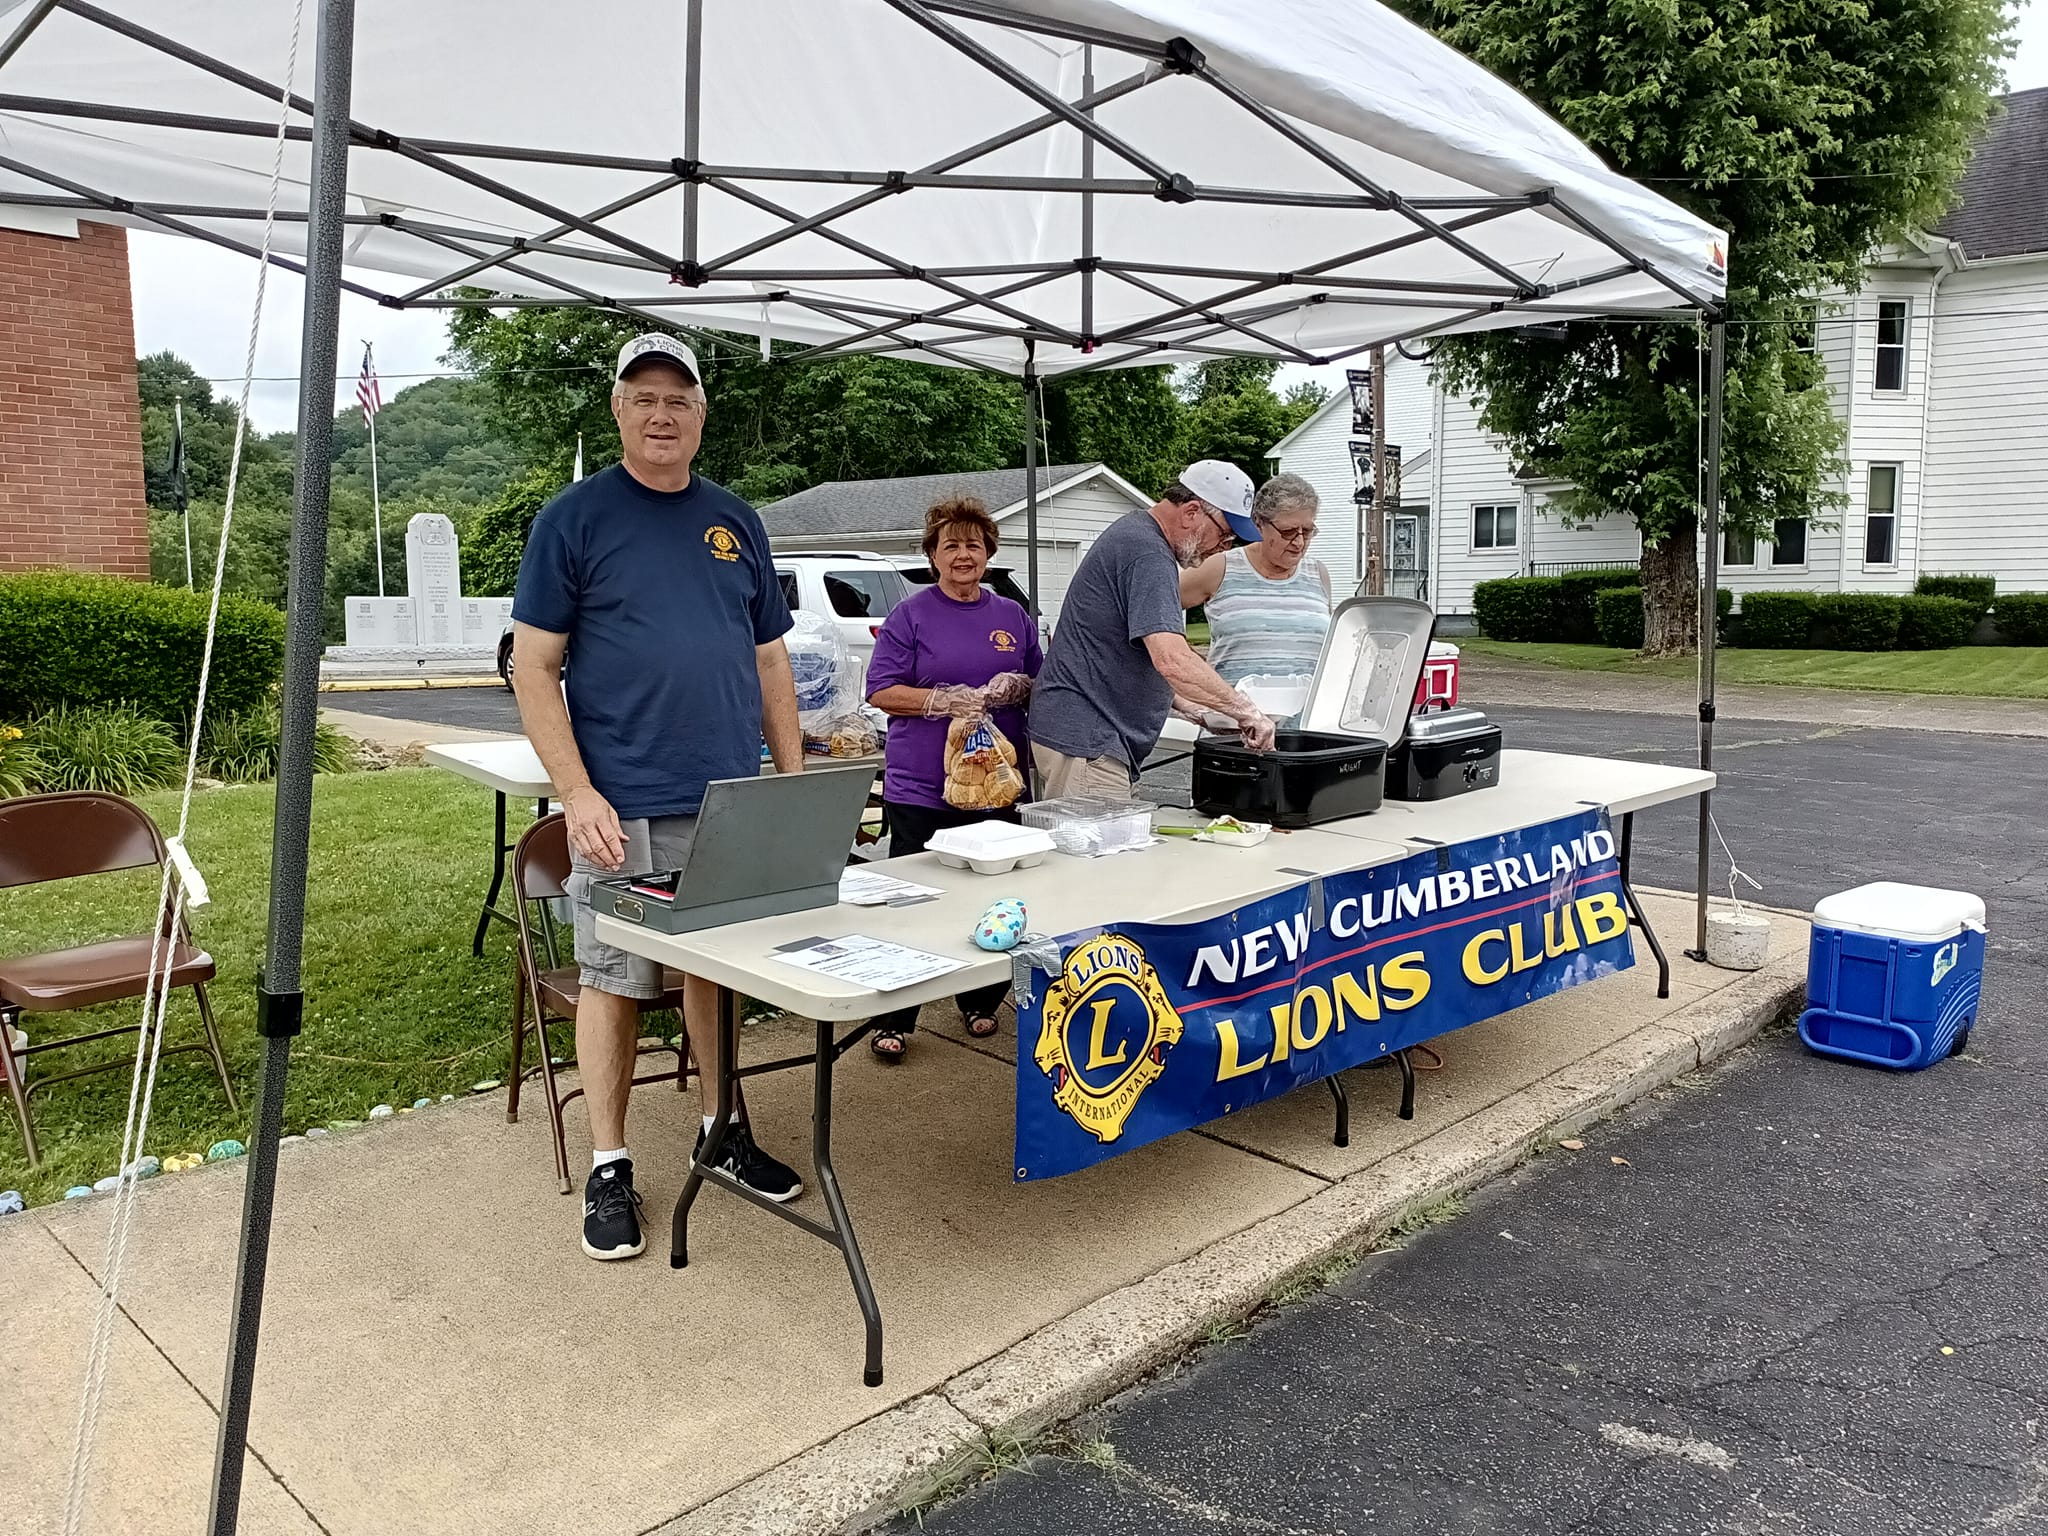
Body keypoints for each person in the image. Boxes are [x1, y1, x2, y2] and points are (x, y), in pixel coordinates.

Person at [511, 332, 807, 1264]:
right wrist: (576, 792)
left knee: (714, 971)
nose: (662, 414)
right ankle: (610, 1165)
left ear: (701, 416)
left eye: (679, 399)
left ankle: (721, 1131)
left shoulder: (735, 521)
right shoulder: (574, 519)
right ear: (618, 410)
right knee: (614, 981)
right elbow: (534, 666)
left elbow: (769, 661)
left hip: (724, 799)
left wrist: (791, 781)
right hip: (621, 804)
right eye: (643, 397)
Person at [862, 497, 1042, 1062]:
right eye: (951, 545)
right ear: (933, 555)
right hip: (923, 785)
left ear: (989, 553)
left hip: (996, 782)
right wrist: (938, 700)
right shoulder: (910, 615)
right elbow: (881, 690)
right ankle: (895, 1015)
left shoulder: (1011, 615)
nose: (963, 555)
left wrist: (1018, 687)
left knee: (988, 895)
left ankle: (980, 999)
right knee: (913, 898)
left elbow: (1041, 679)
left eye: (974, 545)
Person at [1029, 460, 1278, 799]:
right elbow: (1171, 659)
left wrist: (1190, 706)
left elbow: (1123, 650)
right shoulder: (1148, 554)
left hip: (1084, 737)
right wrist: (1246, 712)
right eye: (1225, 534)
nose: (1225, 546)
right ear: (1191, 512)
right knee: (1101, 836)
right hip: (1089, 740)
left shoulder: (1138, 537)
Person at [1180, 472, 1333, 689]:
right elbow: (1154, 612)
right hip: (1234, 710)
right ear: (1259, 524)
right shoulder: (1220, 568)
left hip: (1304, 711)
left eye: (1307, 531)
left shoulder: (1318, 574)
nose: (1299, 542)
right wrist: (1190, 664)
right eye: (1288, 532)